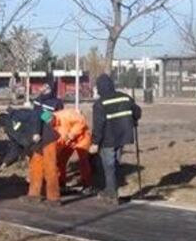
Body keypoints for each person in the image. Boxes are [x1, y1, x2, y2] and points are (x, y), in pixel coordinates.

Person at [90, 73, 142, 205]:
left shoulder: (100, 104)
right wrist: (134, 119)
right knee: (115, 164)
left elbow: (98, 125)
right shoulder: (125, 98)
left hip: (108, 138)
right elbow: (137, 112)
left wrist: (95, 142)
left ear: (100, 87)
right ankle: (110, 189)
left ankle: (112, 194)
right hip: (123, 136)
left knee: (109, 166)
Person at [0, 106, 61, 205]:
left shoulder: (16, 115)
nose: (1, 131)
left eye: (0, 128)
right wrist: (6, 162)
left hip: (46, 139)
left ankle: (54, 199)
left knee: (50, 168)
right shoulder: (11, 133)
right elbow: (15, 148)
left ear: (2, 124)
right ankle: (34, 195)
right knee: (35, 169)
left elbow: (35, 115)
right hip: (35, 146)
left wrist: (36, 132)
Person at [45, 108, 95, 193]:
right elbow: (58, 141)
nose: (51, 124)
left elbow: (81, 121)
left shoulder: (67, 114)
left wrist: (72, 134)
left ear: (53, 117)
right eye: (49, 124)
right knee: (60, 160)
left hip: (82, 138)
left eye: (51, 122)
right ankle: (61, 183)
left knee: (83, 161)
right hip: (67, 141)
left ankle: (87, 185)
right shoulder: (50, 128)